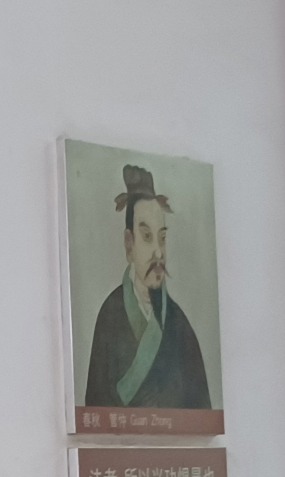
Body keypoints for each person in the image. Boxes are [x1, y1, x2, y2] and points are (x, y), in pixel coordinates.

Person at [84, 162, 210, 410]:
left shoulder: (179, 323)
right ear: (129, 243)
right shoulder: (109, 315)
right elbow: (95, 408)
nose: (158, 252)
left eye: (162, 238)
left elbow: (203, 414)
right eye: (147, 237)